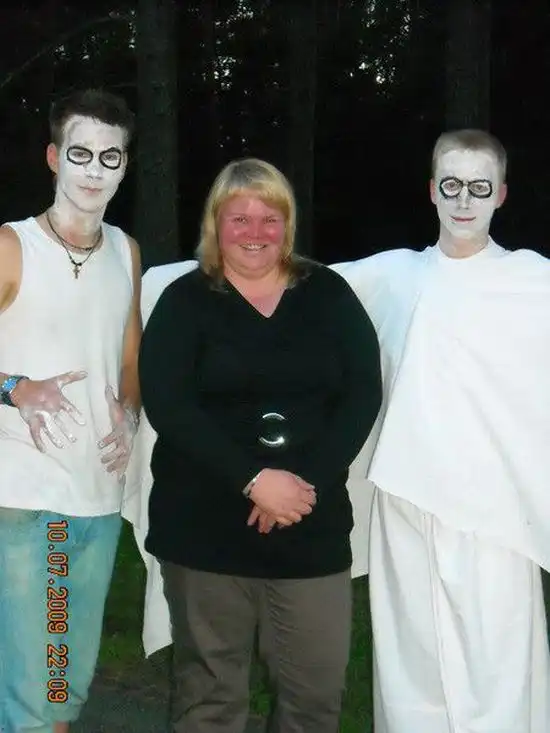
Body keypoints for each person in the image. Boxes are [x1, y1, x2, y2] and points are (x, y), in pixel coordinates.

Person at [137, 157, 382, 733]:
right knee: (210, 700)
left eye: (270, 218)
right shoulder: (184, 301)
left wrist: (299, 485)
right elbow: (169, 405)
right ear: (215, 224)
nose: (255, 232)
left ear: (288, 224)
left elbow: (362, 394)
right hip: (204, 528)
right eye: (239, 218)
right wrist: (253, 480)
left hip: (308, 525)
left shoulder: (327, 294)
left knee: (314, 698)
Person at [333, 129, 550, 732]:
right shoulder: (394, 276)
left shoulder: (533, 282)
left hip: (497, 511)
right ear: (432, 190)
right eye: (451, 185)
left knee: (498, 662)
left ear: (500, 194)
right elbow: (292, 286)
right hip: (407, 498)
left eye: (479, 187)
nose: (463, 201)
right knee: (412, 663)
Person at [0, 89, 141, 733]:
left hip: (97, 495)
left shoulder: (125, 252)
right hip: (27, 493)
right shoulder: (13, 246)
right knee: (35, 690)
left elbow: (127, 359)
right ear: (55, 157)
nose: (94, 171)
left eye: (109, 157)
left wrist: (129, 415)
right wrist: (15, 388)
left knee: (64, 686)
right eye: (80, 153)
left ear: (124, 165)